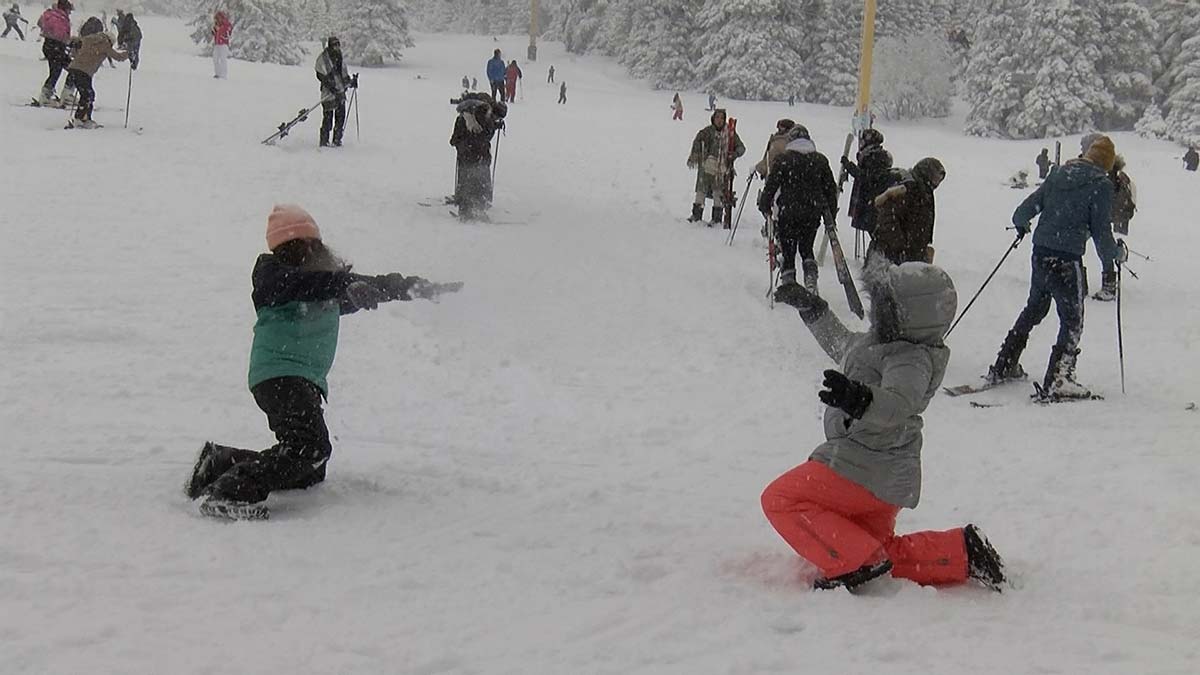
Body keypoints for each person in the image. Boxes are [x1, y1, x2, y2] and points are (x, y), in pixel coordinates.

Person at [183, 205, 459, 520]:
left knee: (309, 468)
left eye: (309, 245)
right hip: (280, 375)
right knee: (309, 449)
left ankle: (220, 463)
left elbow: (372, 284)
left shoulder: (325, 286)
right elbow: (305, 283)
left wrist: (418, 288)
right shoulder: (272, 276)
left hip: (302, 380)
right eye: (297, 247)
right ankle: (229, 492)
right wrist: (344, 285)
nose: (307, 252)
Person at [764, 258, 1006, 592]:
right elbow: (842, 345)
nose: (878, 310)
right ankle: (962, 552)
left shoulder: (911, 358)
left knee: (781, 499)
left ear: (910, 313)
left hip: (865, 466)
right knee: (879, 550)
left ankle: (850, 561)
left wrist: (858, 398)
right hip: (880, 469)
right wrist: (814, 309)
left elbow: (898, 404)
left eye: (886, 304)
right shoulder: (877, 344)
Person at [985, 136, 1121, 400]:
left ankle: (1005, 362)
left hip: (1041, 255)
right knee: (1072, 320)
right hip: (1067, 259)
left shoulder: (1058, 175)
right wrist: (1115, 257)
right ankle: (1059, 378)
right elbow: (1102, 232)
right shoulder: (1100, 185)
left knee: (1035, 308)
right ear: (1106, 164)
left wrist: (1022, 224)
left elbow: (1024, 210)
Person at [757, 124, 837, 292]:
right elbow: (830, 189)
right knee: (807, 248)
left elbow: (772, 185)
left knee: (788, 250)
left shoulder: (784, 159)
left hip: (788, 212)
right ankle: (810, 276)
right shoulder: (820, 160)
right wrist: (831, 214)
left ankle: (789, 282)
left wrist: (765, 204)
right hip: (812, 212)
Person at [869, 158, 947, 265]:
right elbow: (888, 218)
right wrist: (900, 246)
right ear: (926, 173)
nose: (936, 183)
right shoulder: (909, 189)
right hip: (893, 255)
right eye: (935, 178)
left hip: (909, 253)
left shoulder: (925, 192)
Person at [450, 93, 507, 221]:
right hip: (472, 152)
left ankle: (469, 205)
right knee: (473, 178)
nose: (495, 118)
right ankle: (470, 207)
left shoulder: (477, 111)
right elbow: (482, 135)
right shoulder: (484, 112)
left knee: (470, 177)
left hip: (469, 151)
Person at [63, 16, 127, 128]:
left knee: (87, 93)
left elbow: (75, 42)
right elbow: (118, 57)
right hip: (84, 71)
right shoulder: (104, 44)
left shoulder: (89, 38)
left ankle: (83, 117)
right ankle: (81, 118)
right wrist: (129, 53)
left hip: (74, 68)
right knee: (88, 94)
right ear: (110, 40)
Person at [686, 108, 745, 226]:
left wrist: (734, 154)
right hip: (706, 166)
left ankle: (716, 218)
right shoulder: (707, 132)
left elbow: (741, 148)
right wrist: (698, 153)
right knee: (701, 191)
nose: (719, 120)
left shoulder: (730, 134)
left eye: (722, 118)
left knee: (718, 192)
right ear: (713, 118)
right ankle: (696, 215)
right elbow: (698, 140)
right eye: (717, 117)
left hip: (721, 168)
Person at [841, 128, 893, 236]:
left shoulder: (874, 157)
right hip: (871, 198)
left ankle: (876, 251)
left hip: (871, 199)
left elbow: (865, 177)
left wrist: (849, 166)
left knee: (874, 230)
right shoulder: (873, 155)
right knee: (874, 229)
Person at [315, 36, 356, 148]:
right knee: (328, 118)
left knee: (340, 118)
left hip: (340, 93)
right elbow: (320, 74)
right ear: (330, 45)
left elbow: (343, 75)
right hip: (328, 94)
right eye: (334, 45)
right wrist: (332, 87)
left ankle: (337, 140)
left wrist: (351, 82)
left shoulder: (340, 58)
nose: (336, 47)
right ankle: (324, 141)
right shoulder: (323, 59)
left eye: (338, 45)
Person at [36, 0, 73, 105]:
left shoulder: (49, 14)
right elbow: (61, 35)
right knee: (73, 70)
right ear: (65, 9)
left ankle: (46, 94)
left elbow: (40, 23)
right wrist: (69, 42)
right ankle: (66, 94)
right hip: (57, 47)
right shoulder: (61, 18)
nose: (70, 12)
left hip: (48, 46)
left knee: (55, 72)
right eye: (69, 10)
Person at [212, 10, 231, 79]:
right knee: (215, 59)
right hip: (217, 44)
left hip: (224, 45)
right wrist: (214, 30)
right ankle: (217, 74)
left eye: (219, 17)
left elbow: (227, 33)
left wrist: (219, 29)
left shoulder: (226, 24)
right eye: (216, 18)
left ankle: (223, 75)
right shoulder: (216, 25)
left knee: (223, 59)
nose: (217, 19)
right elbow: (215, 34)